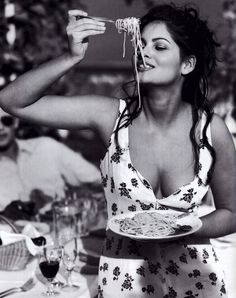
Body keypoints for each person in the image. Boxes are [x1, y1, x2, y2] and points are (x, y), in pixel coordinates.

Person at [0, 3, 236, 297]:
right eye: (141, 44)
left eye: (159, 47)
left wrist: (184, 228)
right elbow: (12, 101)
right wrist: (72, 56)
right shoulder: (111, 116)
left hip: (195, 279)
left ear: (187, 64)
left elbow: (231, 212)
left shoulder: (211, 130)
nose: (143, 52)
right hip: (123, 277)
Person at [0, 108, 101, 211]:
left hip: (62, 222)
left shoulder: (46, 147)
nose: (0, 127)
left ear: (15, 123)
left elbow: (97, 180)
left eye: (6, 121)